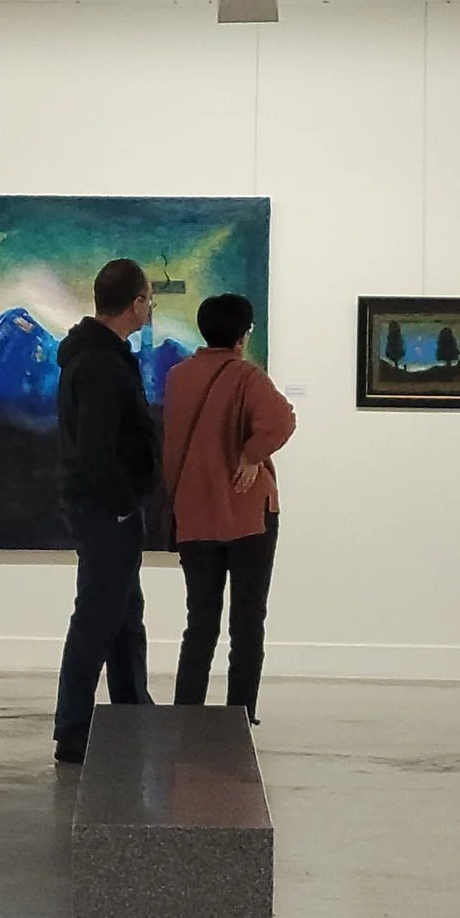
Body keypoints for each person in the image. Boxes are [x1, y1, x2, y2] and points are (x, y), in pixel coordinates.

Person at [162, 293, 296, 721]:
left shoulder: (177, 377)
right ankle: (240, 713)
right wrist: (252, 454)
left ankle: (188, 712)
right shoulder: (247, 377)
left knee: (200, 622)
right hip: (247, 515)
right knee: (247, 622)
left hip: (195, 514)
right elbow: (282, 419)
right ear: (243, 334)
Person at [51, 258, 161, 764]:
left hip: (107, 505)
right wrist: (120, 505)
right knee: (98, 613)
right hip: (105, 508)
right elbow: (96, 447)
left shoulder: (100, 355)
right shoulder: (99, 364)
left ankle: (130, 706)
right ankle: (74, 726)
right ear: (135, 303)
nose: (151, 308)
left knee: (123, 612)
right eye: (148, 299)